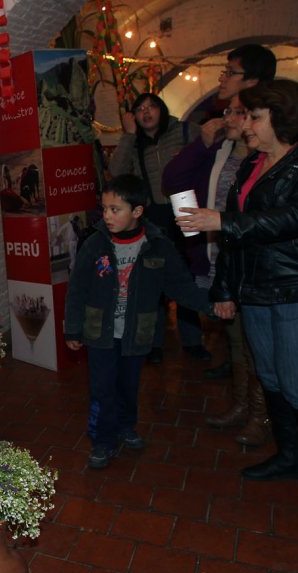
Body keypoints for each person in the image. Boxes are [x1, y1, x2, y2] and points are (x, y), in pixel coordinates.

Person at [177, 80, 298, 517]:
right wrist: (224, 289)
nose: (243, 124)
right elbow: (237, 232)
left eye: (253, 116)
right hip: (256, 288)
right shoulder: (253, 162)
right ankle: (291, 457)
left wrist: (224, 221)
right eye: (242, 116)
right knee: (271, 378)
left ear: (281, 114)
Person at [64, 174, 212, 469]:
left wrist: (211, 305)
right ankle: (103, 440)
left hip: (136, 334)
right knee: (102, 389)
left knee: (129, 386)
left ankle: (125, 426)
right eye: (104, 208)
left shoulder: (158, 245)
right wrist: (73, 327)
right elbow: (77, 288)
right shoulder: (94, 244)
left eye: (115, 209)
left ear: (137, 211)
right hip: (100, 334)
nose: (107, 215)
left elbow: (180, 285)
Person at [163, 95, 270, 446]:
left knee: (258, 343)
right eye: (232, 112)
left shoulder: (266, 158)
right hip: (221, 257)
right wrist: (203, 143)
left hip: (255, 262)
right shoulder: (222, 150)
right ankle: (244, 406)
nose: (233, 118)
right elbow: (173, 178)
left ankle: (261, 414)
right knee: (236, 337)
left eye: (240, 112)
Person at [109, 93, 208, 364]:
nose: (146, 113)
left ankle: (193, 341)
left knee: (185, 278)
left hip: (187, 213)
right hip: (154, 217)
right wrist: (128, 136)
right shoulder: (135, 143)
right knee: (153, 281)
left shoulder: (185, 131)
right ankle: (154, 343)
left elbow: (210, 157)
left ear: (162, 109)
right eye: (139, 109)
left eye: (151, 107)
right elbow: (116, 172)